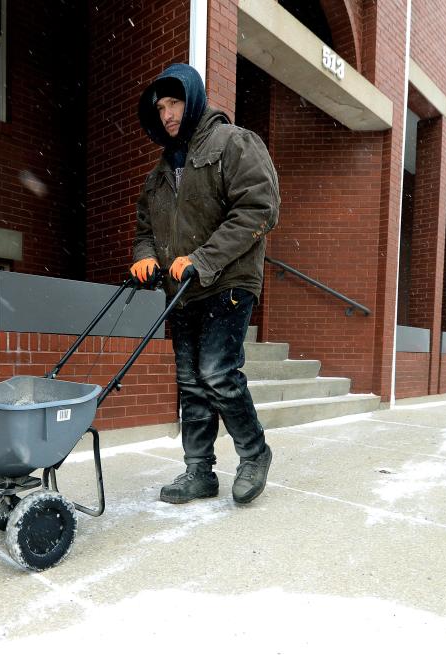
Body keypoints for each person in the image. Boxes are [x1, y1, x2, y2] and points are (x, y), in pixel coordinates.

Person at [130, 63, 280, 505]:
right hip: (183, 290)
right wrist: (144, 259)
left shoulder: (233, 143)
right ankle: (199, 472)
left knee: (218, 373)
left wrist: (202, 258)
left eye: (174, 102)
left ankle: (254, 454)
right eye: (160, 107)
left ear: (192, 99)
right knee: (191, 381)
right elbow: (144, 229)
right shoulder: (159, 174)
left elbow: (258, 209)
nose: (167, 114)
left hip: (229, 279)